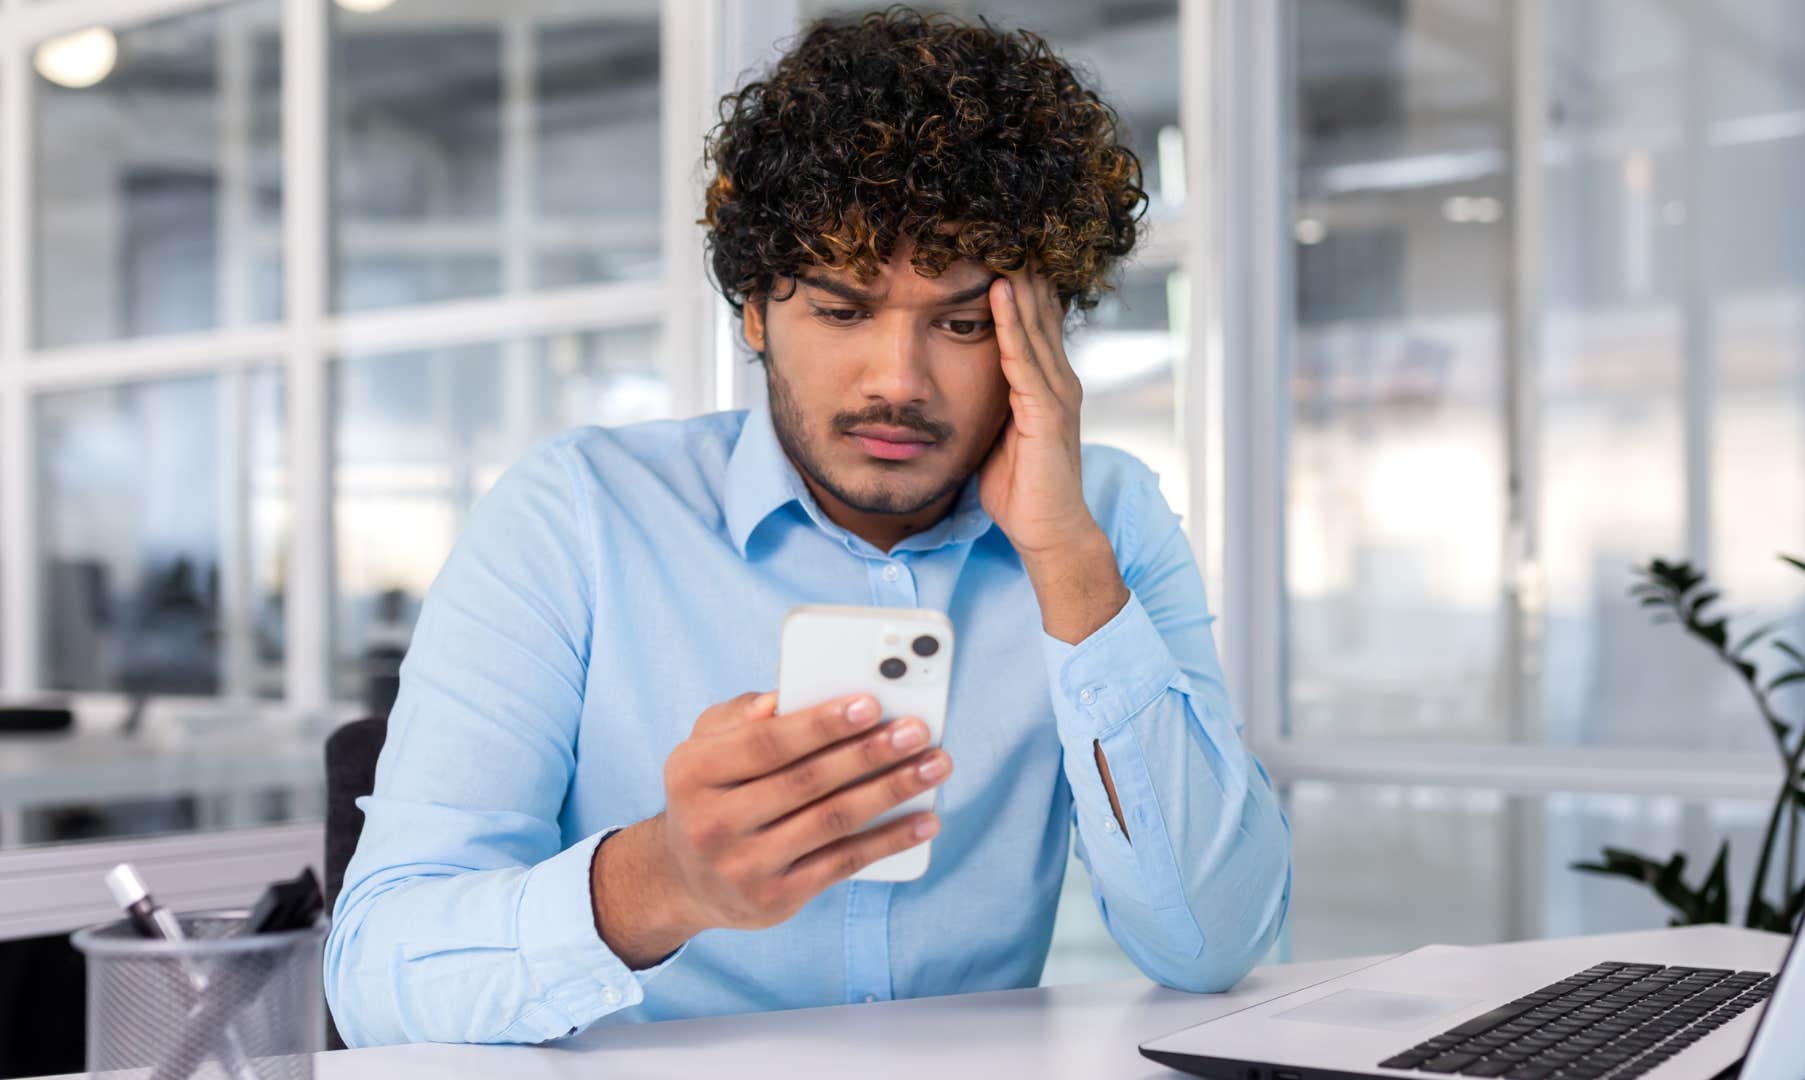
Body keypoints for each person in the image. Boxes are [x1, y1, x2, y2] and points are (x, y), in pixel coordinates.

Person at [324, 7, 1291, 1048]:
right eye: (840, 311)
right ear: (753, 307)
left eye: (962, 323)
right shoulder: (575, 518)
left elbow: (1215, 942)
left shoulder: (1102, 521)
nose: (898, 383)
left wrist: (1065, 562)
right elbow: (375, 972)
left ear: (1043, 324)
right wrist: (665, 880)